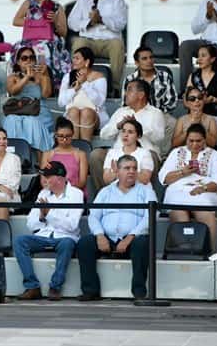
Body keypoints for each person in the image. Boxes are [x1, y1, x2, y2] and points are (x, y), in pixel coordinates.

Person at [77, 155, 155, 301]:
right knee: (85, 243)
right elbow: (93, 216)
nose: (131, 171)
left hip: (133, 239)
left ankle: (139, 292)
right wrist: (100, 236)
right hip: (107, 238)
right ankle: (90, 290)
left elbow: (150, 218)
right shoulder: (105, 192)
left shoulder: (146, 191)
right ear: (117, 172)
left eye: (134, 168)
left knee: (143, 243)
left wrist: (130, 237)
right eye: (127, 168)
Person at [14, 161, 83, 301]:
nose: (44, 180)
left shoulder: (76, 194)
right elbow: (30, 224)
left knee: (67, 244)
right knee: (19, 241)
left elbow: (72, 226)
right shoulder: (43, 193)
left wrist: (49, 213)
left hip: (65, 237)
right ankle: (32, 286)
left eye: (48, 176)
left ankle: (55, 287)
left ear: (59, 178)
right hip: (43, 235)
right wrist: (42, 215)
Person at [159, 124, 217, 252]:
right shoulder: (176, 152)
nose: (195, 144)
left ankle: (210, 253)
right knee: (180, 215)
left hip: (204, 193)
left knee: (207, 216)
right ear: (186, 139)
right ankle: (183, 251)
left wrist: (204, 188)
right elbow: (164, 178)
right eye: (191, 141)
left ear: (205, 140)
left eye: (198, 141)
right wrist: (182, 172)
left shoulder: (214, 155)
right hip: (178, 192)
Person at [89, 79, 165, 192]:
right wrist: (118, 126)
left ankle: (148, 199)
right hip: (119, 153)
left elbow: (159, 138)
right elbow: (103, 135)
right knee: (96, 155)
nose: (125, 94)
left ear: (141, 95)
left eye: (129, 90)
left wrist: (138, 126)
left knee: (153, 156)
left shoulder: (155, 113)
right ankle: (106, 194)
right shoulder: (121, 111)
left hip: (144, 153)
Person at [68, 0, 127, 93]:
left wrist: (101, 19)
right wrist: (88, 23)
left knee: (118, 45)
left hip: (109, 42)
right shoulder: (83, 0)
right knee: (78, 42)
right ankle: (76, 82)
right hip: (88, 41)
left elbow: (121, 24)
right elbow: (71, 22)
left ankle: (114, 88)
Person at [11, 0, 71, 89]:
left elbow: (63, 32)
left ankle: (44, 84)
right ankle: (22, 81)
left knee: (43, 49)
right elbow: (16, 21)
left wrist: (54, 21)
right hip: (29, 39)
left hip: (49, 40)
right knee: (19, 48)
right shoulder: (28, 3)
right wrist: (35, 22)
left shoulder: (57, 7)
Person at [122, 46, 177, 152]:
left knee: (173, 123)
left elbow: (172, 100)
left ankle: (162, 155)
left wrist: (157, 113)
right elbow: (125, 102)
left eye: (151, 57)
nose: (149, 61)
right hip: (137, 112)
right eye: (144, 58)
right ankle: (134, 152)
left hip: (161, 113)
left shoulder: (164, 76)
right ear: (137, 63)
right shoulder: (130, 79)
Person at [3, 46, 54, 155]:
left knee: (32, 122)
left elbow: (46, 94)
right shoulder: (13, 77)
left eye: (31, 58)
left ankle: (38, 160)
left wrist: (45, 76)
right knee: (12, 120)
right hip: (19, 110)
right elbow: (13, 91)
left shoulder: (41, 76)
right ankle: (16, 155)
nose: (28, 61)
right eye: (24, 58)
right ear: (18, 62)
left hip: (38, 111)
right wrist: (26, 77)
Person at [57, 47, 108, 141]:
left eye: (77, 58)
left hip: (95, 114)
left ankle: (86, 146)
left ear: (86, 61)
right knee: (73, 111)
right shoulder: (68, 76)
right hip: (72, 114)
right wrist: (74, 90)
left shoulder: (99, 77)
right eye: (73, 58)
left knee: (86, 112)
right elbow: (61, 102)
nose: (73, 61)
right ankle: (75, 149)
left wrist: (85, 84)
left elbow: (100, 102)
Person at [185, 44, 217, 130]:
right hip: (196, 115)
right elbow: (186, 99)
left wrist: (214, 99)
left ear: (212, 59)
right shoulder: (193, 76)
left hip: (216, 115)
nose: (199, 59)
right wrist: (195, 105)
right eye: (198, 56)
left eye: (203, 56)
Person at [40, 117, 88, 195]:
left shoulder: (80, 154)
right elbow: (43, 181)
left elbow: (82, 182)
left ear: (73, 134)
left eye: (68, 136)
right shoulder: (47, 154)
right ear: (55, 135)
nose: (64, 139)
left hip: (74, 193)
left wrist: (65, 190)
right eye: (61, 136)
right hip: (52, 193)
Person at [102, 119, 153, 187]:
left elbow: (145, 179)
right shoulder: (112, 152)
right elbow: (106, 179)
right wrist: (115, 172)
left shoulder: (145, 153)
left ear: (138, 136)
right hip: (117, 191)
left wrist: (121, 171)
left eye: (130, 132)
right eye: (123, 131)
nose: (125, 135)